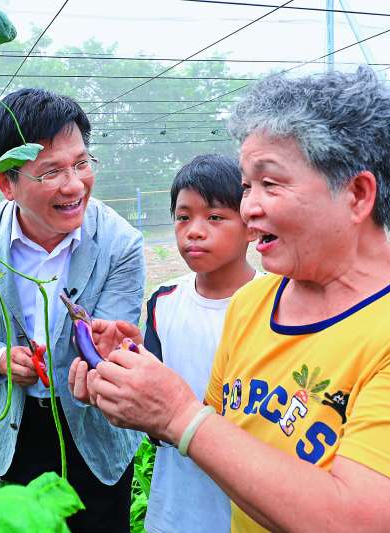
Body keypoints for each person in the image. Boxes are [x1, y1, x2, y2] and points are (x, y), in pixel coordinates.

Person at [71, 67, 390, 531]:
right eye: (246, 186)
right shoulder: (252, 303)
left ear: (357, 195)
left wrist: (178, 415)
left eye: (270, 184)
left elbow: (365, 523)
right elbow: (228, 442)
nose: (249, 207)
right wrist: (136, 389)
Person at [0, 88, 144, 532]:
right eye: (50, 172)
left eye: (82, 163)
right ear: (6, 183)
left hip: (95, 430)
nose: (74, 185)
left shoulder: (120, 243)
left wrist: (109, 353)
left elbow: (115, 344)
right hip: (16, 429)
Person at [144, 154, 257, 533]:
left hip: (248, 506)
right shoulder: (163, 302)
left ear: (251, 227)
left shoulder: (277, 304)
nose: (193, 230)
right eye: (183, 217)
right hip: (175, 505)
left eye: (214, 217)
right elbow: (152, 414)